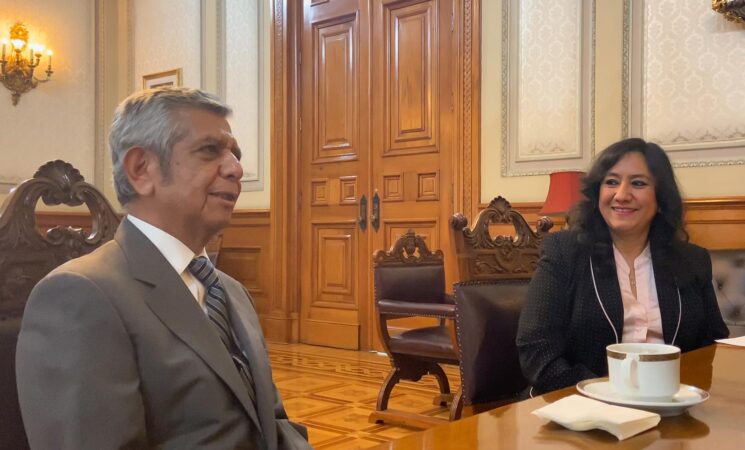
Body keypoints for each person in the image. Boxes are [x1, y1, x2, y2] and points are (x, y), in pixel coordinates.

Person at [16, 87, 312, 449]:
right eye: (210, 150)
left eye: (236, 155)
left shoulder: (232, 292)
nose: (236, 169)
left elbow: (274, 426)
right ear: (141, 169)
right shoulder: (79, 296)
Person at [516, 137, 729, 394]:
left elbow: (711, 345)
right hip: (580, 402)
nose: (621, 195)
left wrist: (677, 394)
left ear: (661, 197)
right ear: (597, 193)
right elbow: (536, 348)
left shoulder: (692, 260)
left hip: (668, 402)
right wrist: (605, 393)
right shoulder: (564, 251)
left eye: (638, 183)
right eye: (611, 182)